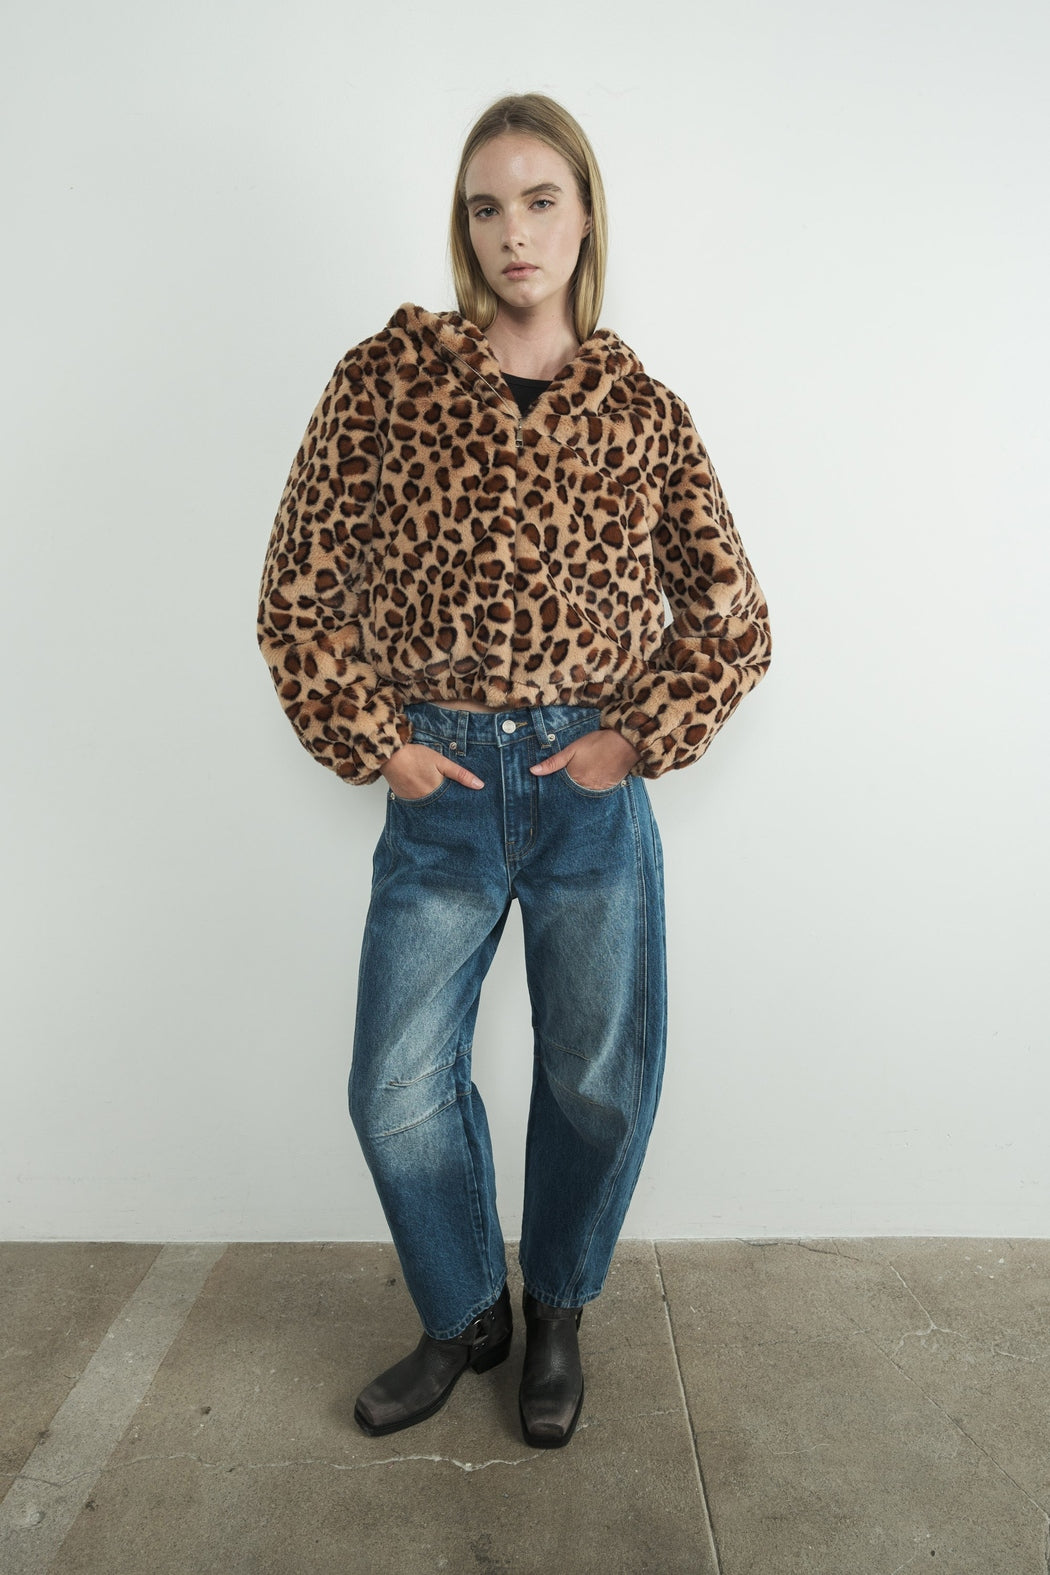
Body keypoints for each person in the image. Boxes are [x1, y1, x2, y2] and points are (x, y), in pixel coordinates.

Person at [257, 93, 771, 1449]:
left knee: (596, 1079)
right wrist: (381, 743)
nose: (513, 232)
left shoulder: (640, 410)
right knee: (393, 1087)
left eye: (541, 201)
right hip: (445, 787)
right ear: (463, 226)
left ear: (585, 216)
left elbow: (734, 616)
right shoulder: (385, 383)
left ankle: (558, 1315)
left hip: (586, 788)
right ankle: (463, 1311)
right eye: (486, 206)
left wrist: (631, 738)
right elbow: (298, 590)